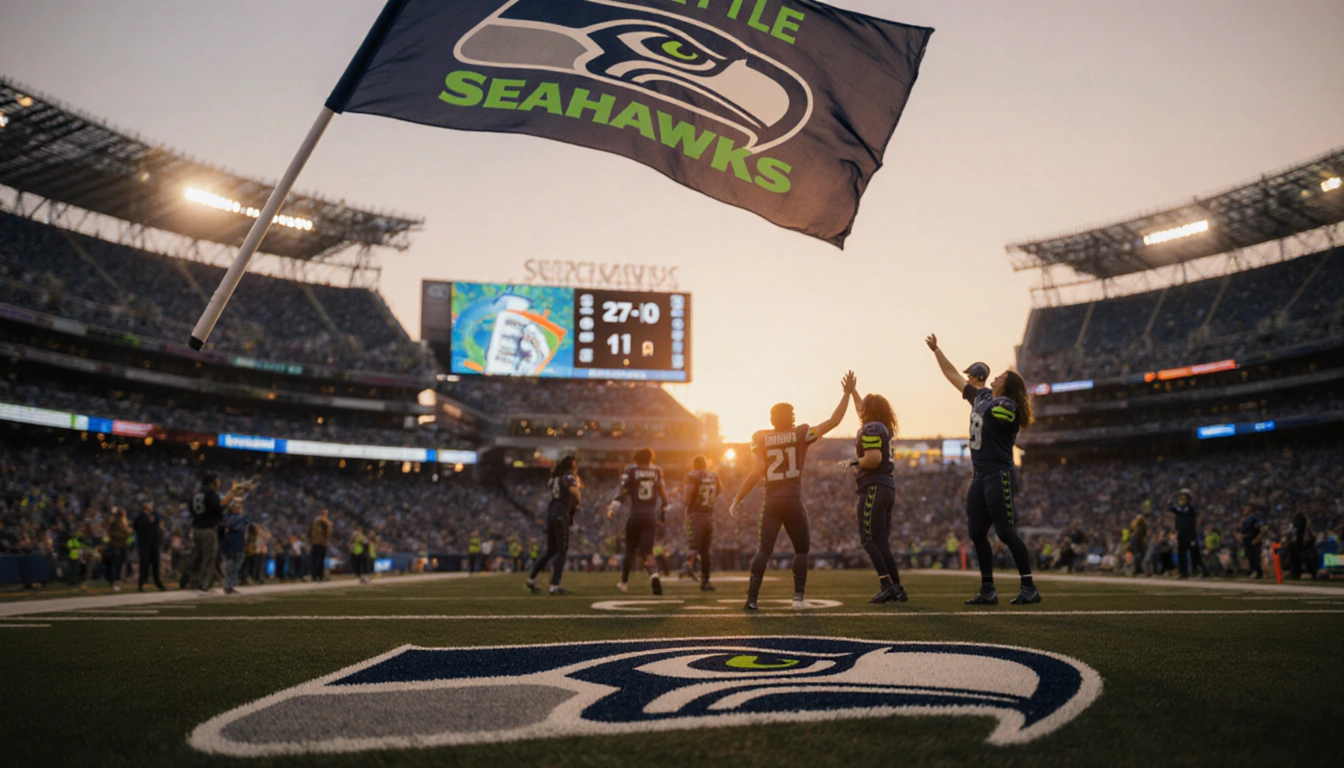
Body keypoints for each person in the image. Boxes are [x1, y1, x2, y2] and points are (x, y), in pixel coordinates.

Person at [926, 334, 1040, 605]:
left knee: (1004, 530)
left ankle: (1029, 586)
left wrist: (983, 401)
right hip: (979, 476)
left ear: (1007, 385)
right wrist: (937, 351)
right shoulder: (982, 397)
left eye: (1001, 376)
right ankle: (988, 589)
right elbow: (953, 376)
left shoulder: (1006, 405)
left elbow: (1004, 416)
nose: (996, 377)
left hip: (999, 473)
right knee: (976, 531)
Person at [729, 371, 855, 611]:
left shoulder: (761, 438)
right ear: (789, 417)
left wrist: (738, 498)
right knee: (801, 549)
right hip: (792, 499)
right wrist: (846, 394)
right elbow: (834, 420)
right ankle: (798, 599)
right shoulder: (800, 433)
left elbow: (757, 471)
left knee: (764, 550)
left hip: (772, 500)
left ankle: (752, 599)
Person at [841, 381, 907, 604]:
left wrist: (852, 462)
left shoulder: (871, 428)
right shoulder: (882, 428)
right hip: (887, 486)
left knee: (868, 539)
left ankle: (886, 585)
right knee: (881, 542)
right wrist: (853, 393)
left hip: (874, 487)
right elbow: (862, 408)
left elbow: (873, 459)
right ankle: (897, 588)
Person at [608, 448, 668, 595]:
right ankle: (654, 575)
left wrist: (613, 508)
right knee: (648, 552)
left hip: (635, 515)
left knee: (629, 550)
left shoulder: (631, 471)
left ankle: (623, 583)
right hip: (650, 516)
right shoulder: (657, 471)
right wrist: (662, 516)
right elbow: (664, 497)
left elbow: (622, 492)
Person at [529, 455, 581, 595]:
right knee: (561, 550)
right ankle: (554, 584)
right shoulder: (569, 476)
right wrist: (576, 505)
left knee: (551, 550)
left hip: (551, 514)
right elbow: (575, 493)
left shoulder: (554, 479)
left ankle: (532, 578)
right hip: (560, 515)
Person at [190, 472, 243, 595]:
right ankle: (203, 586)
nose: (219, 483)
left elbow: (192, 508)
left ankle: (194, 582)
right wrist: (232, 493)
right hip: (207, 529)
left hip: (196, 528)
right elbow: (220, 505)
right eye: (218, 480)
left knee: (197, 557)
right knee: (208, 559)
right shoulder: (210, 493)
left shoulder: (197, 493)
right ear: (212, 482)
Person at [682, 455, 723, 591]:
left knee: (693, 546)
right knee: (705, 552)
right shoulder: (713, 475)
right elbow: (719, 490)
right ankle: (705, 581)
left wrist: (687, 506)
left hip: (696, 516)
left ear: (694, 465)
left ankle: (688, 565)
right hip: (708, 516)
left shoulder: (693, 475)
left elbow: (688, 495)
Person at [1170, 488, 1206, 578]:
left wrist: (1193, 536)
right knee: (1181, 554)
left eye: (1184, 496)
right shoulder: (1180, 507)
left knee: (1195, 553)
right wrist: (1171, 500)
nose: (1181, 498)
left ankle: (1202, 571)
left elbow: (1182, 511)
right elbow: (1172, 508)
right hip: (1181, 534)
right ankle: (1183, 573)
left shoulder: (1191, 508)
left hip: (1190, 534)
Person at [132, 502, 166, 592]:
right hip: (148, 543)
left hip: (148, 543)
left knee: (147, 564)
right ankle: (149, 582)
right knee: (148, 564)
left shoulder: (149, 516)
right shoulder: (142, 517)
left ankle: (143, 583)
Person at [220, 501, 248, 595]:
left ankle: (227, 584)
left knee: (228, 566)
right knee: (234, 567)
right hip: (236, 545)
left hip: (226, 545)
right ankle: (229, 585)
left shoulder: (225, 518)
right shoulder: (240, 519)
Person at [105, 507, 133, 592]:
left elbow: (126, 531)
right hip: (115, 544)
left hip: (123, 545)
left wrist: (128, 533)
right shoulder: (113, 521)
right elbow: (110, 532)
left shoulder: (124, 522)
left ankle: (118, 580)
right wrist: (119, 536)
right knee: (115, 563)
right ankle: (114, 581)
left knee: (121, 563)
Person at [1240, 506, 1265, 579]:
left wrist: (1257, 539)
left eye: (1246, 509)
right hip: (1246, 540)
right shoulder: (1245, 519)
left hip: (1252, 540)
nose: (1244, 510)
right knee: (1249, 556)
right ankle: (1252, 571)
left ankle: (1258, 572)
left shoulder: (1254, 519)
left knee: (1254, 557)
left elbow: (1262, 529)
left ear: (1250, 511)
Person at [309, 509, 332, 582]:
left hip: (315, 542)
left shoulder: (315, 520)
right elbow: (327, 533)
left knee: (314, 559)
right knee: (321, 559)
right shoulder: (328, 522)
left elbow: (311, 531)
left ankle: (314, 575)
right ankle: (320, 575)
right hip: (322, 542)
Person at [1128, 512, 1149, 577]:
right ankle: (1138, 569)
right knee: (1138, 555)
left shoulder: (1136, 524)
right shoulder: (1141, 525)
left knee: (1138, 555)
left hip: (1136, 540)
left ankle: (1138, 568)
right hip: (1137, 541)